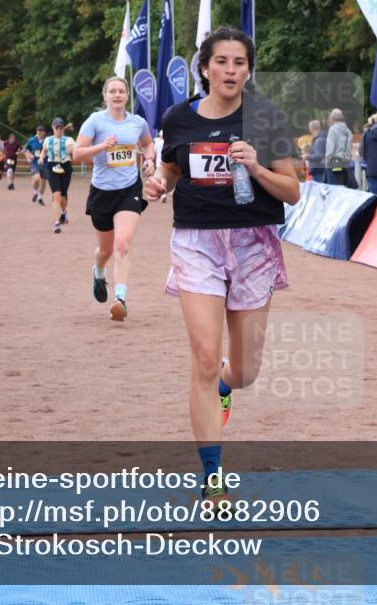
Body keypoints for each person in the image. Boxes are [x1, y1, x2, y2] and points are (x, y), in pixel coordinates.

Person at [142, 27, 300, 505]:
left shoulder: (267, 118)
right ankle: (212, 477)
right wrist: (157, 183)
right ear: (205, 68)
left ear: (248, 70)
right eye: (222, 62)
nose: (231, 70)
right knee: (206, 357)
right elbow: (170, 168)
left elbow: (292, 191)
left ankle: (230, 387)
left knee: (246, 369)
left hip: (253, 243)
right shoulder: (178, 118)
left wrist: (256, 167)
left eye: (240, 63)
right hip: (196, 242)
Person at [74, 77, 155, 319]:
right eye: (113, 91)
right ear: (105, 96)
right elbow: (77, 154)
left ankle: (120, 299)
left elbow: (148, 143)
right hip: (101, 192)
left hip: (129, 190)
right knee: (106, 249)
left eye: (121, 91)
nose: (117, 95)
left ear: (127, 96)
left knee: (122, 245)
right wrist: (101, 147)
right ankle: (98, 273)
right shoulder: (95, 122)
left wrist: (150, 159)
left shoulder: (137, 123)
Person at [41, 117, 76, 234]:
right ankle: (56, 223)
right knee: (56, 195)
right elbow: (44, 150)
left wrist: (75, 155)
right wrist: (41, 158)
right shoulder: (48, 140)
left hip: (65, 167)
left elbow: (75, 152)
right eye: (57, 128)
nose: (59, 130)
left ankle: (64, 212)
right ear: (53, 128)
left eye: (61, 127)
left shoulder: (69, 141)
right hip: (52, 167)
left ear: (63, 128)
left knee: (63, 196)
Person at [324, 108, 353, 187]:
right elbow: (349, 149)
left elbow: (330, 150)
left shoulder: (332, 130)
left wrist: (327, 163)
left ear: (332, 118)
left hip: (334, 165)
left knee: (333, 192)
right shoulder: (348, 131)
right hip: (346, 165)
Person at [25, 125, 48, 206]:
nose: (39, 132)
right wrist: (29, 157)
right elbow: (26, 149)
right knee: (36, 178)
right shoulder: (31, 140)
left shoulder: (47, 140)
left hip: (45, 164)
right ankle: (35, 192)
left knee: (44, 183)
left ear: (44, 132)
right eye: (38, 130)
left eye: (41, 131)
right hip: (35, 163)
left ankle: (40, 197)